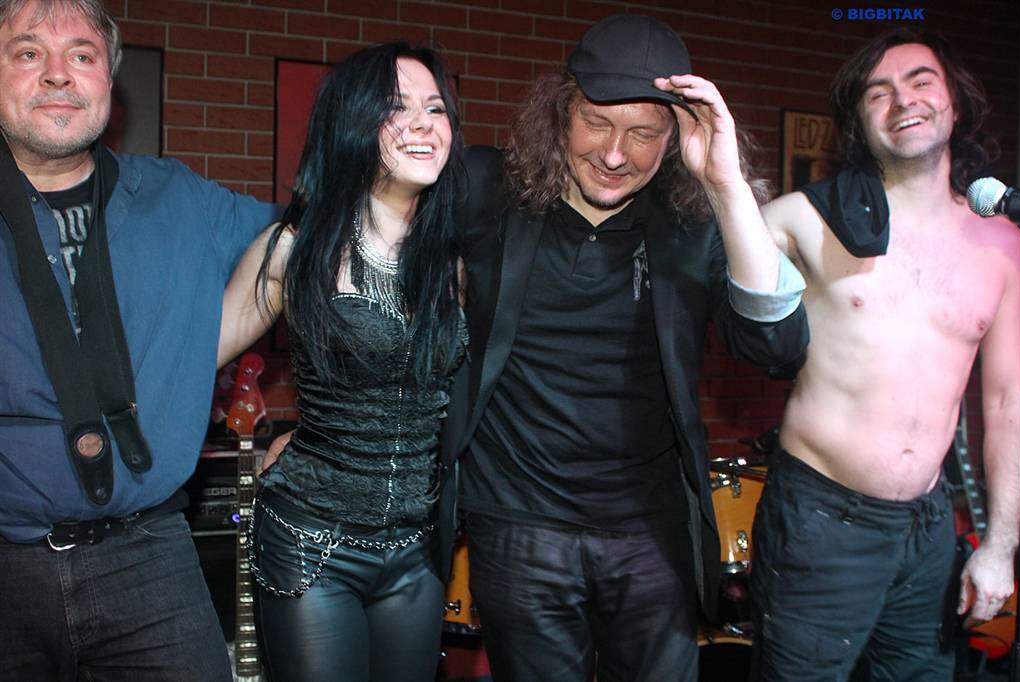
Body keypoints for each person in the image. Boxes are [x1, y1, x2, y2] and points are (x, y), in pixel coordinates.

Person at [451, 14, 809, 681]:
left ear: (675, 137)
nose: (616, 155)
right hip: (517, 517)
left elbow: (779, 347)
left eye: (644, 133)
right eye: (597, 123)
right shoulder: (486, 191)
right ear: (561, 113)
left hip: (650, 528)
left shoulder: (693, 225)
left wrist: (726, 186)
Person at [0, 0, 278, 680]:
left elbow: (307, 245)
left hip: (148, 556)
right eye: (29, 52)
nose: (59, 73)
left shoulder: (179, 198)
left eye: (83, 55)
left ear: (110, 78)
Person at [753, 28, 1020, 680]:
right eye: (879, 92)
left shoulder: (1003, 244)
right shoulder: (804, 219)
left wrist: (1000, 546)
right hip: (821, 523)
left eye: (920, 81)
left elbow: (1008, 403)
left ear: (955, 100)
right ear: (858, 122)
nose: (903, 100)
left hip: (928, 528)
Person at [217, 42, 466, 682]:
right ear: (353, 123)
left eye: (435, 108)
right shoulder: (293, 251)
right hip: (312, 545)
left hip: (417, 552)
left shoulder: (456, 260)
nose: (422, 124)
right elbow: (192, 359)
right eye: (396, 107)